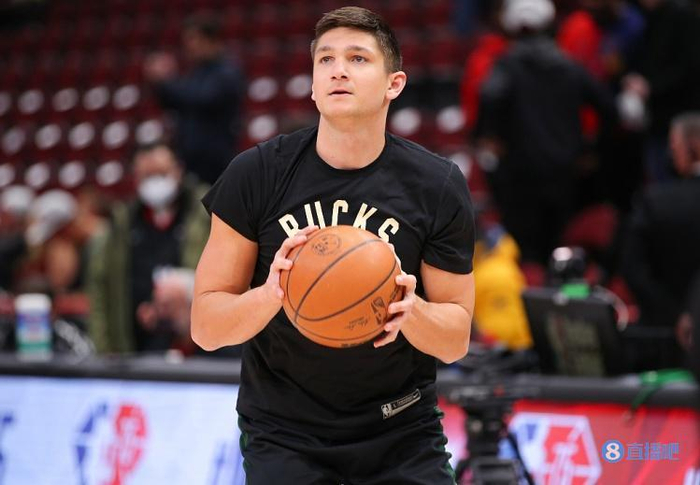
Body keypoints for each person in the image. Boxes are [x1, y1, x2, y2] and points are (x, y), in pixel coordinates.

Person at [191, 7, 475, 484]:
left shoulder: (436, 185)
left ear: (394, 84)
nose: (338, 70)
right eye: (325, 59)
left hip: (400, 428)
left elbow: (456, 340)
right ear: (312, 84)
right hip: (284, 431)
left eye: (358, 58)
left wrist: (411, 311)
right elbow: (205, 327)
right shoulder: (255, 174)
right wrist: (272, 294)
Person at [475, 0, 615, 267]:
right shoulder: (568, 65)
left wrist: (488, 137)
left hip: (521, 176)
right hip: (565, 174)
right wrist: (590, 149)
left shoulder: (506, 66)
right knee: (561, 249)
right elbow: (608, 108)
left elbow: (489, 99)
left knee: (526, 257)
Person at [88, 142, 210, 354]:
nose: (155, 182)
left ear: (178, 170)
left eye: (161, 173)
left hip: (198, 349)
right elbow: (100, 290)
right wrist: (105, 351)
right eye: (147, 176)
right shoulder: (122, 224)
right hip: (134, 351)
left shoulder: (206, 213)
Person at [144, 12, 245, 186]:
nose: (188, 46)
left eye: (193, 39)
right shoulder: (196, 72)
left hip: (215, 162)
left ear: (211, 39)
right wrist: (159, 84)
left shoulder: (227, 71)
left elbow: (202, 98)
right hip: (190, 161)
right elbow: (175, 103)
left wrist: (167, 81)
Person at [621, 112, 700, 331]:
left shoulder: (655, 202)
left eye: (674, 146)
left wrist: (676, 316)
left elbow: (631, 269)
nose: (670, 153)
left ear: (694, 145)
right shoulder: (655, 201)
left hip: (664, 334)